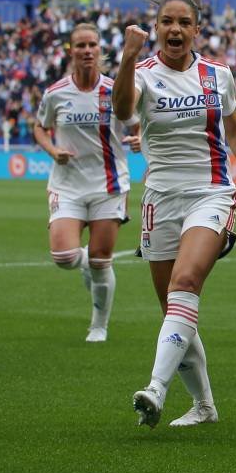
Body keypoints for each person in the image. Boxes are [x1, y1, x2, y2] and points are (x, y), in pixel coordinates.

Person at [112, 0, 236, 428]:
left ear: (197, 31)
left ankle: (155, 389)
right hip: (159, 200)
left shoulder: (217, 75)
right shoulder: (141, 73)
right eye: (167, 22)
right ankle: (204, 406)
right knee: (174, 310)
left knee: (185, 284)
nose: (175, 29)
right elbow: (123, 111)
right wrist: (125, 58)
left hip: (211, 193)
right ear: (157, 29)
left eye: (184, 23)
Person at [33, 23, 141, 342]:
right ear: (71, 51)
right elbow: (40, 127)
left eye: (92, 44)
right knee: (65, 257)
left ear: (100, 49)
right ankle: (85, 264)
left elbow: (139, 125)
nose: (87, 50)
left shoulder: (114, 90)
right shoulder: (55, 93)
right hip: (67, 184)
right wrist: (53, 150)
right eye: (80, 45)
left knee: (100, 260)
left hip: (109, 185)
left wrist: (138, 139)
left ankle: (99, 325)